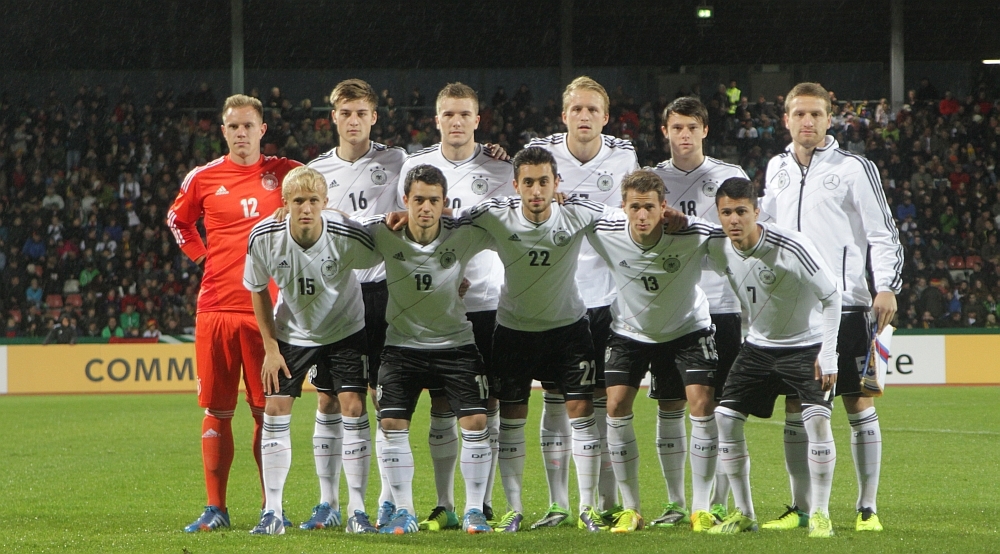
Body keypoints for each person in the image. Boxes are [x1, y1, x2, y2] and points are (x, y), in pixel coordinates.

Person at [760, 82, 902, 532]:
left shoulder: (855, 168)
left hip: (847, 304)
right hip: (792, 309)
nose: (808, 122)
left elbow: (882, 232)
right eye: (799, 114)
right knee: (794, 405)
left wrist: (886, 286)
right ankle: (801, 507)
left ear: (829, 119)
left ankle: (867, 508)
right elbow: (767, 230)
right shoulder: (776, 168)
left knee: (858, 402)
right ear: (786, 119)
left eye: (816, 114)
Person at [168, 94, 301, 533]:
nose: (241, 133)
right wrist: (202, 256)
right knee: (217, 411)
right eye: (233, 127)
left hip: (269, 314)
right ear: (223, 131)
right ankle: (216, 508)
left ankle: (271, 508)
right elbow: (177, 220)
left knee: (268, 412)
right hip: (216, 309)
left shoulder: (286, 173)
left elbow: (325, 190)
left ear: (262, 130)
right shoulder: (203, 177)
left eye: (248, 126)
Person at [398, 82, 514, 529]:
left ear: (478, 119)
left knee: (489, 405)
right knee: (443, 403)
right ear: (437, 119)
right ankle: (445, 503)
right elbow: (406, 232)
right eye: (449, 114)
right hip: (439, 306)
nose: (457, 121)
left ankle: (482, 502)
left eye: (465, 114)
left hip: (490, 301)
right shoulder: (415, 166)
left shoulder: (501, 168)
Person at [243, 166, 381, 535]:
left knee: (353, 407)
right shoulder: (264, 236)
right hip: (292, 331)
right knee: (275, 409)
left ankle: (356, 510)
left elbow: (386, 252)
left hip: (345, 329)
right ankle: (272, 512)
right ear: (284, 203)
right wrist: (270, 348)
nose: (306, 208)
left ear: (325, 203)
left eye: (314, 201)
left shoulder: (345, 233)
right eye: (299, 201)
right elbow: (257, 289)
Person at [526, 76, 639, 526]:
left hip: (608, 298)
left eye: (593, 109)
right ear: (564, 115)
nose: (585, 116)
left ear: (605, 117)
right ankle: (558, 503)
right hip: (560, 296)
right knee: (556, 400)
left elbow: (631, 210)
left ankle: (603, 502)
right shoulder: (542, 152)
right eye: (577, 109)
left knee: (602, 403)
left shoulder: (624, 155)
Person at [705, 177, 841, 539]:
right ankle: (745, 513)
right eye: (726, 213)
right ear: (718, 214)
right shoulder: (718, 246)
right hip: (758, 347)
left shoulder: (791, 246)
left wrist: (828, 354)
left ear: (757, 211)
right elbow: (686, 235)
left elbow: (832, 296)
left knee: (817, 422)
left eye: (741, 211)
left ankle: (820, 514)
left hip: (806, 345)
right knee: (725, 419)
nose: (734, 220)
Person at [364, 164, 495, 535]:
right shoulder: (384, 233)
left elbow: (505, 221)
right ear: (405, 200)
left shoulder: (462, 233)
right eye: (418, 199)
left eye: (434, 200)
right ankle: (403, 510)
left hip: (455, 345)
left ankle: (473, 511)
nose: (426, 207)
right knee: (391, 423)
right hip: (401, 347)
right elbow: (341, 225)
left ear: (444, 202)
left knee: (476, 421)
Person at [586, 170, 720, 533]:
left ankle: (700, 508)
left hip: (686, 330)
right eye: (634, 207)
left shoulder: (690, 234)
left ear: (664, 207)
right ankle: (631, 509)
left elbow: (728, 234)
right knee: (615, 405)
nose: (642, 215)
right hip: (629, 331)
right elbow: (576, 210)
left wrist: (689, 219)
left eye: (649, 207)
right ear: (623, 207)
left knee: (701, 404)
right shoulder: (608, 231)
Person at [302, 78, 407, 532]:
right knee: (328, 400)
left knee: (383, 401)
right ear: (334, 118)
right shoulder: (316, 170)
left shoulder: (399, 161)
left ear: (374, 117)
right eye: (345, 113)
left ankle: (384, 501)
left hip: (383, 293)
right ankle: (327, 502)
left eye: (361, 113)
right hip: (334, 296)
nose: (353, 120)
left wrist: (493, 151)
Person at [648, 96, 748, 527]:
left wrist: (691, 227)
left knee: (719, 407)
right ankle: (675, 502)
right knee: (670, 403)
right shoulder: (653, 179)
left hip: (722, 304)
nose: (684, 134)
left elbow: (745, 232)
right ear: (665, 132)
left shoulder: (730, 175)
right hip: (672, 305)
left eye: (692, 127)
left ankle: (717, 502)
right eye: (677, 127)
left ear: (705, 130)